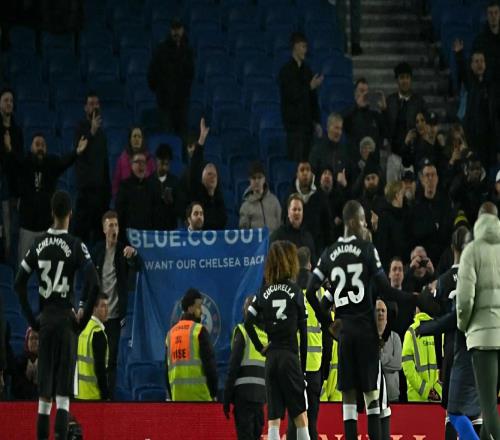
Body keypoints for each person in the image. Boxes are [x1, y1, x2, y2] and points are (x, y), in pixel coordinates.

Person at [304, 200, 435, 440]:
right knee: (373, 398)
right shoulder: (366, 249)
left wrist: (328, 324)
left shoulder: (328, 253)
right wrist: (415, 298)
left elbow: (313, 293)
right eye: (363, 220)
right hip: (365, 333)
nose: (365, 224)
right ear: (354, 221)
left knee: (348, 401)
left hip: (344, 335)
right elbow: (386, 290)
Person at [14, 190, 99, 440]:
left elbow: (18, 283)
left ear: (52, 213)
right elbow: (94, 284)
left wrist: (33, 321)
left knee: (43, 399)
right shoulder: (75, 244)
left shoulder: (38, 243)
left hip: (46, 321)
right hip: (66, 322)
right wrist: (82, 321)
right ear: (70, 213)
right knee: (62, 397)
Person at [416, 226, 482, 440]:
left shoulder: (444, 280)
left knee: (452, 413)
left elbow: (428, 306)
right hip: (477, 349)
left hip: (452, 352)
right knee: (476, 413)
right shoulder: (477, 278)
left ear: (452, 247)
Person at [244, 240, 310, 440]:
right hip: (290, 358)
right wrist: (302, 369)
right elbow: (304, 333)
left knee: (273, 419)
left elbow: (248, 322)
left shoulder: (263, 292)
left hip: (271, 359)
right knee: (300, 417)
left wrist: (260, 347)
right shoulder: (295, 291)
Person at [78, 210, 141, 399]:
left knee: (111, 359)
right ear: (104, 229)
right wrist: (81, 304)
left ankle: (108, 398)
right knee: (95, 358)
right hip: (95, 315)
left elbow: (137, 266)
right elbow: (88, 279)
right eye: (110, 225)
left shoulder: (123, 251)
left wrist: (133, 255)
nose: (114, 229)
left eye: (116, 225)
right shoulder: (97, 251)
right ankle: (93, 393)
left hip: (114, 316)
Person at [8, 133, 88, 264]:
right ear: (31, 148)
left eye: (43, 145)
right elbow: (12, 162)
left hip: (46, 228)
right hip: (27, 227)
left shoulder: (51, 163)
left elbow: (64, 162)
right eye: (37, 144)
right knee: (23, 266)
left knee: (48, 266)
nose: (40, 148)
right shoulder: (25, 163)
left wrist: (77, 152)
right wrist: (9, 149)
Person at [456, 201, 500, 439]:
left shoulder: (472, 251)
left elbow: (464, 299)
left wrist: (464, 325)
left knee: (488, 407)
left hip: (483, 340)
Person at [287, 246, 324, 440]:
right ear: (310, 264)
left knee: (294, 419)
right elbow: (328, 328)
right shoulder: (319, 291)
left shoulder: (289, 290)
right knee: (312, 421)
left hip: (293, 362)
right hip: (314, 364)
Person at [223, 296, 267, 440]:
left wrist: (226, 397)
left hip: (243, 398)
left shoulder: (243, 331)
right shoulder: (267, 336)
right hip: (261, 398)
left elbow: (233, 366)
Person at [454, 39, 500, 169]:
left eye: (482, 61)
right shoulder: (471, 84)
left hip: (489, 143)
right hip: (473, 141)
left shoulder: (491, 87)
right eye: (476, 61)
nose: (480, 64)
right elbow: (463, 72)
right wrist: (459, 55)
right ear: (471, 65)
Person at [165, 288, 217, 401]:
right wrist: (214, 393)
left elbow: (166, 371)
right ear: (190, 308)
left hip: (177, 399)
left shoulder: (170, 334)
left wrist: (172, 396)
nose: (201, 311)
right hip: (201, 398)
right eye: (199, 307)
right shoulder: (199, 331)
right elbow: (210, 365)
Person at [73, 92, 111, 246]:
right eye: (91, 104)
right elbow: (80, 152)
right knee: (80, 237)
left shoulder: (102, 134)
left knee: (99, 239)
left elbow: (104, 163)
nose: (94, 107)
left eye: (96, 103)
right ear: (85, 107)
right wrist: (91, 132)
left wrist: (108, 191)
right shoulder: (80, 129)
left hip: (101, 194)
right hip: (86, 192)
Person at [279, 32, 323, 162]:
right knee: (296, 164)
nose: (305, 50)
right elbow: (291, 95)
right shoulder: (286, 72)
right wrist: (309, 87)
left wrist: (317, 122)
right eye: (303, 46)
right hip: (293, 128)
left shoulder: (307, 71)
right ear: (295, 46)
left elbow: (313, 99)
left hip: (307, 127)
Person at [148, 18, 194, 136]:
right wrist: (160, 91)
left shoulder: (187, 50)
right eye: (174, 29)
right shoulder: (161, 49)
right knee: (166, 136)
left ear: (183, 30)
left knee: (182, 136)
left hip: (181, 103)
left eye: (178, 28)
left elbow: (190, 74)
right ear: (170, 30)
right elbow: (152, 73)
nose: (176, 32)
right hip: (165, 103)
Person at [384, 63, 427, 181]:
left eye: (407, 77)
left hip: (414, 156)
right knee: (392, 191)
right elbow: (386, 127)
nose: (405, 81)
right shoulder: (389, 101)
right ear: (397, 80)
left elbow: (425, 127)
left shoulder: (419, 102)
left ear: (411, 79)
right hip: (394, 156)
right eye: (402, 77)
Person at [410, 161, 454, 266]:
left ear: (437, 179)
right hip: (423, 260)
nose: (430, 178)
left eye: (433, 175)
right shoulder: (415, 206)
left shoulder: (445, 204)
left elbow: (448, 231)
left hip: (444, 259)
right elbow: (414, 233)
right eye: (427, 175)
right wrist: (434, 227)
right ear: (422, 179)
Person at [285, 161, 333, 255]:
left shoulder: (320, 196)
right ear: (297, 174)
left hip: (317, 250)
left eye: (308, 170)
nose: (305, 173)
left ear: (312, 174)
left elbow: (328, 226)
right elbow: (284, 222)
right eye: (302, 170)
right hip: (294, 250)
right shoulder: (289, 196)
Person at [187, 119, 226, 230]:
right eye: (209, 174)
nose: (213, 177)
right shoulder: (197, 194)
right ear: (202, 179)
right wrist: (201, 140)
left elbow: (223, 222)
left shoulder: (219, 199)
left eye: (214, 175)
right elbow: (194, 168)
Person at [115, 151, 163, 240]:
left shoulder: (153, 186)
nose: (141, 165)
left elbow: (157, 213)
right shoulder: (124, 186)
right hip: (129, 236)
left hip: (148, 236)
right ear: (131, 165)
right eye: (137, 162)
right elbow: (120, 213)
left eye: (143, 162)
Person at [0, 87, 24, 259]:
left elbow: (20, 159)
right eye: (5, 100)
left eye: (11, 101)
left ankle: (10, 259)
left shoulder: (17, 130)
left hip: (13, 186)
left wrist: (10, 149)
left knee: (12, 228)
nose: (9, 103)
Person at [401, 302, 441, 402]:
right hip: (438, 396)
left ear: (417, 309)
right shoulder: (439, 330)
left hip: (416, 397)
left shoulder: (411, 332)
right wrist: (437, 391)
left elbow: (407, 367)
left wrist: (425, 390)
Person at [76, 293, 109, 401]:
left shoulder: (82, 329)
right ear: (94, 309)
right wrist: (105, 396)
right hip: (94, 396)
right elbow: (100, 369)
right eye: (103, 306)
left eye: (107, 306)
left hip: (79, 394)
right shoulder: (97, 333)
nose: (107, 310)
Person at [373, 181, 411, 271]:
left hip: (405, 264)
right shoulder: (385, 217)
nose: (404, 196)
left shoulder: (406, 214)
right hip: (391, 268)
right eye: (402, 193)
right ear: (397, 195)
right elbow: (382, 246)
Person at [270, 194, 316, 263]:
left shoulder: (308, 237)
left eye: (299, 210)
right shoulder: (277, 236)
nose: (297, 212)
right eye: (294, 209)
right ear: (288, 212)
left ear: (303, 213)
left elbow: (313, 263)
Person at [111, 126, 155, 198]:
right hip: (126, 196)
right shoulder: (122, 158)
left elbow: (154, 181)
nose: (137, 139)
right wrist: (117, 197)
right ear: (130, 140)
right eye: (134, 136)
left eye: (139, 136)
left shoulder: (149, 159)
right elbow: (116, 181)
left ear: (142, 140)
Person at [239, 161, 282, 234]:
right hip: (256, 241)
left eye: (259, 177)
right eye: (253, 178)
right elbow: (244, 234)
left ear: (264, 179)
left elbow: (280, 225)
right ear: (249, 180)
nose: (257, 181)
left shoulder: (274, 201)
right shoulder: (245, 207)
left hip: (273, 240)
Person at [309, 113, 349, 180]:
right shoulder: (317, 150)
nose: (339, 132)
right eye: (336, 128)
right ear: (328, 128)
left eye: (340, 129)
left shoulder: (344, 152)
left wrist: (344, 184)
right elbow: (311, 176)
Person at [376, 299, 402, 403]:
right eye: (378, 310)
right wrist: (389, 358)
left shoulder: (395, 337)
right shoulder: (367, 337)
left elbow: (398, 364)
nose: (380, 313)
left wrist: (380, 359)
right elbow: (367, 365)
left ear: (387, 314)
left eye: (383, 310)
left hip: (392, 394)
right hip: (373, 395)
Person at [149, 143, 179, 231]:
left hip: (170, 227)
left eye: (166, 163)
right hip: (152, 228)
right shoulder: (149, 182)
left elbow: (179, 207)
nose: (164, 166)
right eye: (161, 162)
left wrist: (172, 202)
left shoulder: (175, 182)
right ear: (156, 161)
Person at [472, 0, 500, 81]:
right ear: (487, 16)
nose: (493, 16)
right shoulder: (480, 40)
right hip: (488, 82)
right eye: (490, 13)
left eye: (496, 13)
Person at [11, 327, 38, 400]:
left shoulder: (47, 362)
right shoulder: (18, 361)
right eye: (31, 338)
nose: (34, 341)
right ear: (27, 341)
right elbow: (16, 389)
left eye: (37, 338)